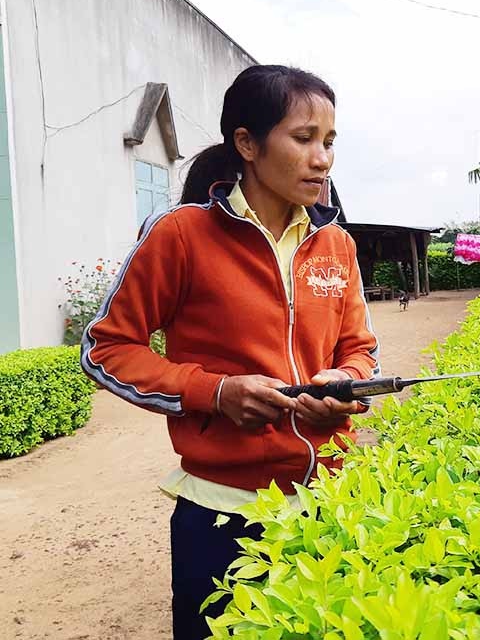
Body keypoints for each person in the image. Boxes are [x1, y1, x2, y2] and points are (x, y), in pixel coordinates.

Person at [80, 65, 379, 639]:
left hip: (330, 506)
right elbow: (106, 349)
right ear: (247, 143)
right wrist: (215, 392)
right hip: (223, 514)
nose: (322, 159)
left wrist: (343, 383)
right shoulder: (180, 236)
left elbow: (361, 348)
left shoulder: (336, 243)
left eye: (330, 141)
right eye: (303, 138)